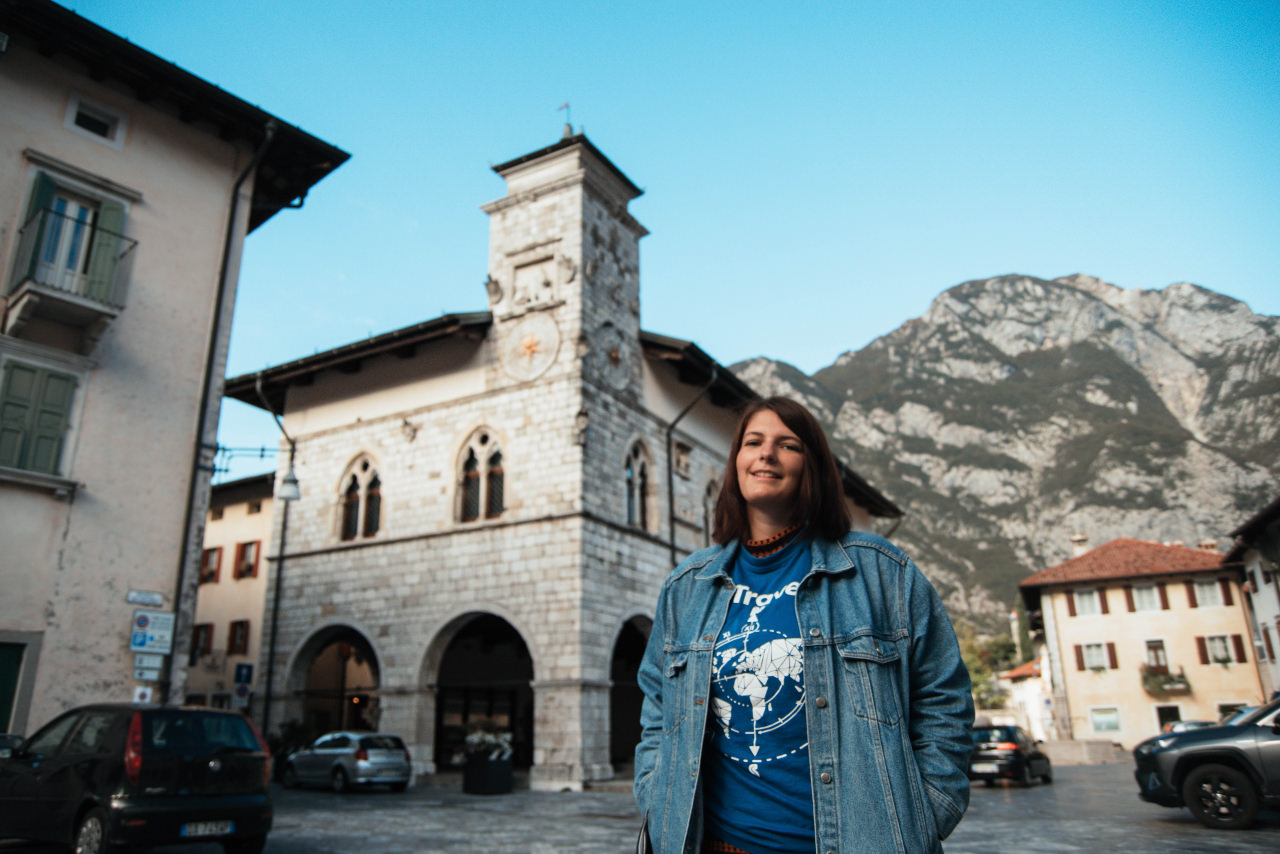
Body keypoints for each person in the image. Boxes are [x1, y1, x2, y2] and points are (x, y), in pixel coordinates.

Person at [634, 396, 973, 854]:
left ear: (811, 466)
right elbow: (658, 707)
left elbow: (944, 697)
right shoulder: (687, 586)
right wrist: (656, 797)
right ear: (737, 462)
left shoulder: (879, 571)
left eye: (787, 444)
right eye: (753, 442)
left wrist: (921, 815)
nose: (766, 454)